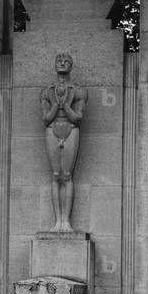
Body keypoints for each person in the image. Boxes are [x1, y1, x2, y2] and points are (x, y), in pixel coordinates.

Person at [40, 52, 86, 232]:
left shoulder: (79, 91)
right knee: (55, 175)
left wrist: (66, 104)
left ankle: (66, 221)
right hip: (52, 129)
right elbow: (46, 119)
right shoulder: (47, 91)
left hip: (70, 129)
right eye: (59, 60)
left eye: (66, 61)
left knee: (67, 175)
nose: (62, 63)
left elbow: (77, 118)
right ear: (54, 65)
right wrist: (55, 104)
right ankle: (57, 220)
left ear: (71, 66)